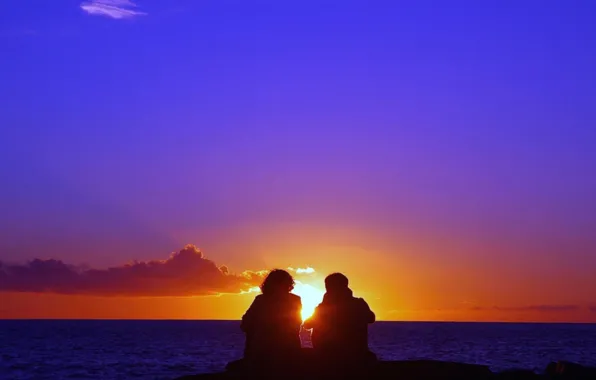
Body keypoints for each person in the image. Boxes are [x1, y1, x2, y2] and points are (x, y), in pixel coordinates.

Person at [303, 273, 376, 366]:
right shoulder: (359, 303)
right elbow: (371, 318)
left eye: (328, 286)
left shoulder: (325, 307)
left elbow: (307, 324)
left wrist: (323, 304)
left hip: (329, 356)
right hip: (356, 355)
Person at [240, 269, 303, 369]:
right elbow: (296, 324)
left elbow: (245, 324)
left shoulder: (261, 300)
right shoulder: (295, 300)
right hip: (285, 350)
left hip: (267, 350)